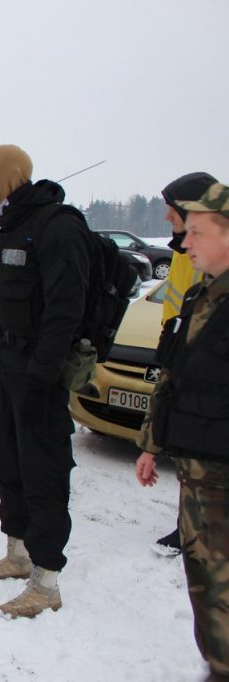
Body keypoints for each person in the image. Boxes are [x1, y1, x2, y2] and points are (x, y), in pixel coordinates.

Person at [0, 144, 90, 619]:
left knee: (43, 472)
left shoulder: (58, 225)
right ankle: (18, 554)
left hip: (41, 372)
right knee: (9, 463)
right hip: (12, 366)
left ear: (9, 175)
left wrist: (44, 371)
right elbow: (2, 301)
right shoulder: (11, 227)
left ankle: (47, 580)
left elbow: (67, 307)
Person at [136, 181, 229, 680]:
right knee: (205, 590)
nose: (184, 243)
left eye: (195, 232)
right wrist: (152, 444)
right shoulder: (198, 296)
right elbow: (172, 378)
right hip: (196, 478)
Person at [147, 172, 217, 554]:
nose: (165, 217)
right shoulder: (181, 249)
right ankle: (186, 523)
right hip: (177, 349)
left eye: (170, 208)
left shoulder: (212, 254)